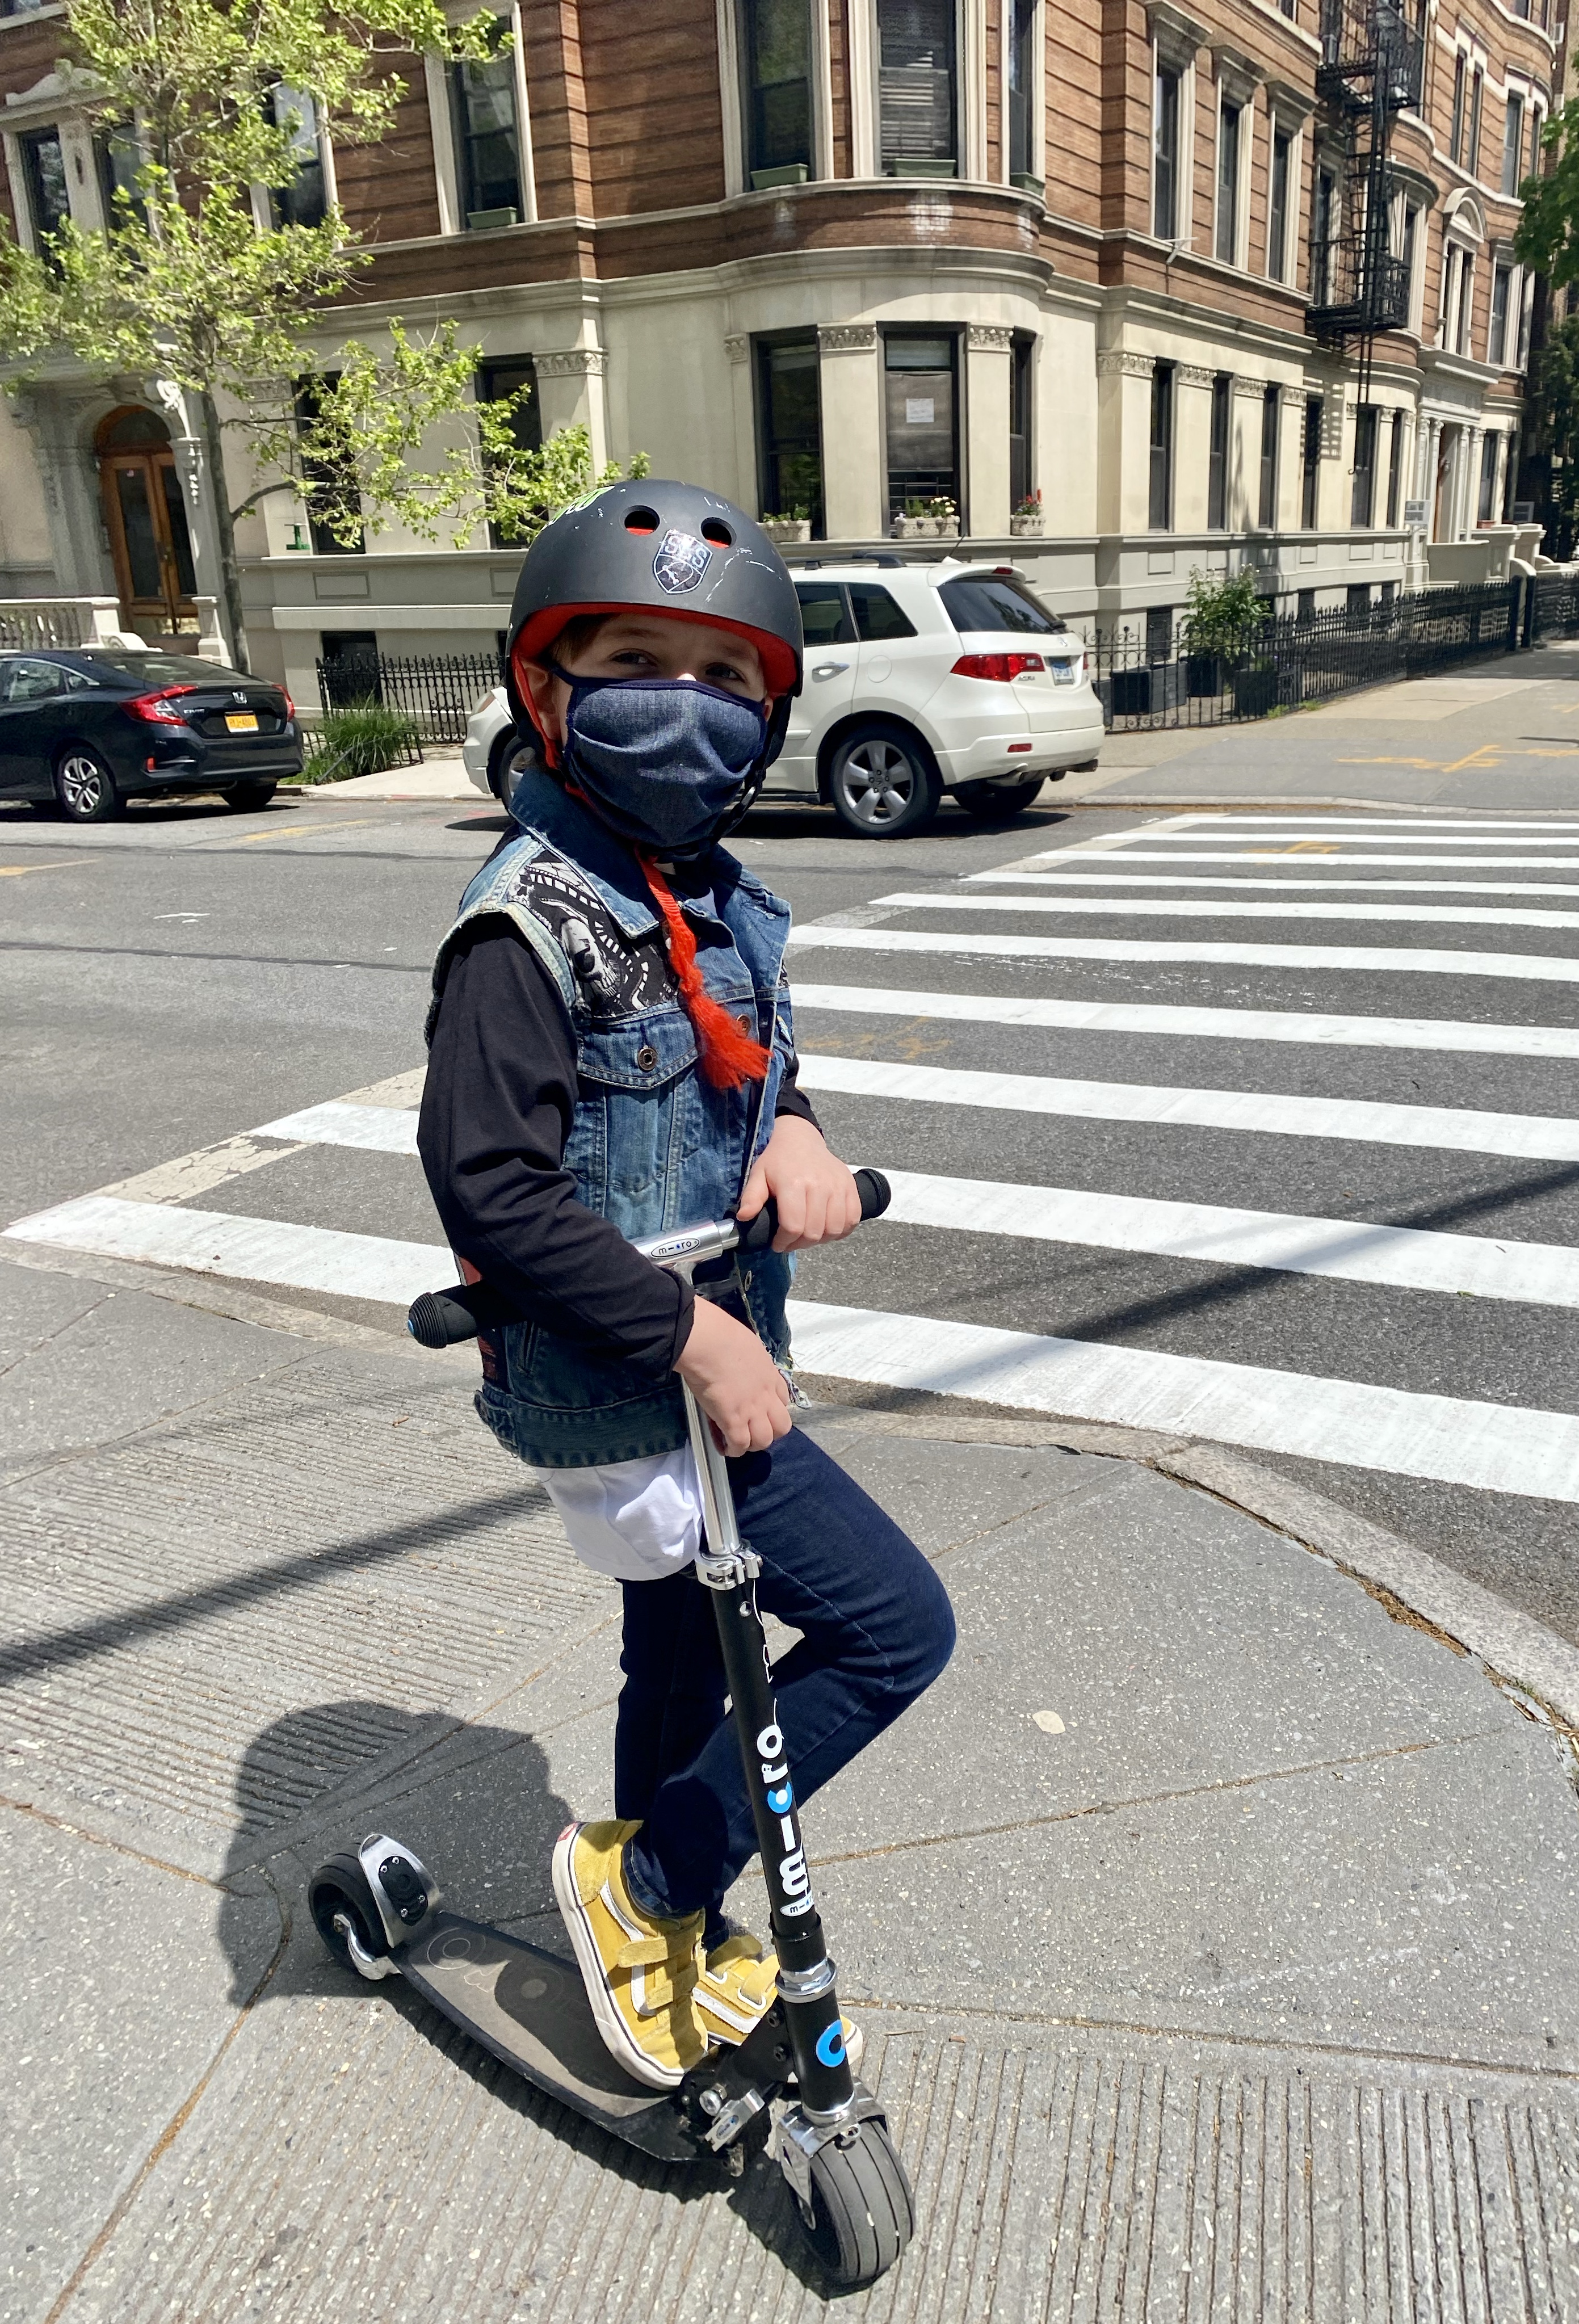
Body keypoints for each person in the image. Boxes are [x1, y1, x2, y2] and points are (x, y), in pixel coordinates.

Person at [417, 480, 955, 2090]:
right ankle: (656, 1880)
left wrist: (797, 1126)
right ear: (546, 692)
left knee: (672, 1659)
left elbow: (748, 1059)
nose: (685, 703)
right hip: (631, 1379)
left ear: (770, 716)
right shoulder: (523, 933)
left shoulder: (710, 891)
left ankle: (652, 1909)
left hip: (702, 1358)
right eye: (637, 662)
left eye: (725, 676)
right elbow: (491, 1187)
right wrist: (695, 1337)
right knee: (893, 1631)